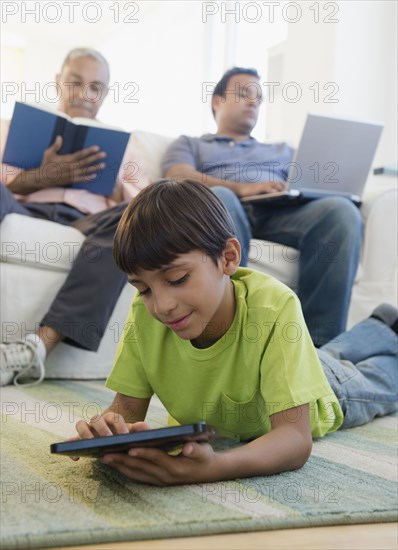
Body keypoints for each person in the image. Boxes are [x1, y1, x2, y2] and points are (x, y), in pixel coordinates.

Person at [74, 179, 397, 487]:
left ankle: (382, 334)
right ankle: (379, 326)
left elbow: (295, 439)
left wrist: (216, 466)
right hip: (294, 362)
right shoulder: (146, 315)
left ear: (228, 258)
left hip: (329, 390)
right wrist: (108, 429)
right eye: (143, 288)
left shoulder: (274, 306)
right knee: (326, 355)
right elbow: (126, 412)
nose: (162, 306)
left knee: (370, 378)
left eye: (177, 279)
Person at [161, 67, 363, 347]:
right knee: (221, 197)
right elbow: (177, 177)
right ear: (217, 101)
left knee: (342, 213)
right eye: (244, 93)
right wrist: (242, 189)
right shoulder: (191, 144)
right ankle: (230, 332)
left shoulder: (282, 150)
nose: (253, 101)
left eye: (259, 97)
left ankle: (319, 349)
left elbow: (307, 183)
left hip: (281, 213)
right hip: (227, 209)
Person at [0, 48, 149, 386]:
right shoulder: (11, 127)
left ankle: (36, 348)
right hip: (24, 207)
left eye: (95, 87)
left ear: (106, 93)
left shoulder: (126, 146)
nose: (84, 94)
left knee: (134, 219)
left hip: (89, 221)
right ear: (58, 83)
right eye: (75, 83)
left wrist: (114, 185)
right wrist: (41, 176)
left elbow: (148, 203)